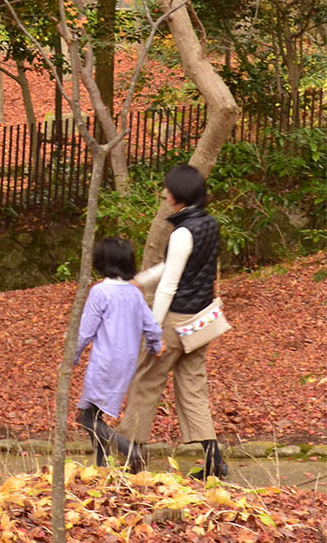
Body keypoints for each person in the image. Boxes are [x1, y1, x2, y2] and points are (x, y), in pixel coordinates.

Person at [118, 164, 228, 479]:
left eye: (167, 189)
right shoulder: (209, 224)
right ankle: (214, 462)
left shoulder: (182, 232)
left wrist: (154, 330)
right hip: (201, 320)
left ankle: (130, 454)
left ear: (179, 195)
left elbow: (170, 283)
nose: (164, 194)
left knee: (146, 381)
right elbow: (175, 266)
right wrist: (141, 280)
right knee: (193, 387)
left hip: (177, 319)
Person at [74, 235, 164, 465]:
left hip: (104, 362)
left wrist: (70, 358)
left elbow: (85, 331)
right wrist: (155, 346)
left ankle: (127, 449)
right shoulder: (134, 293)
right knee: (95, 414)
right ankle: (102, 465)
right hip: (127, 363)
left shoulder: (100, 292)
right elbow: (151, 326)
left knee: (86, 418)